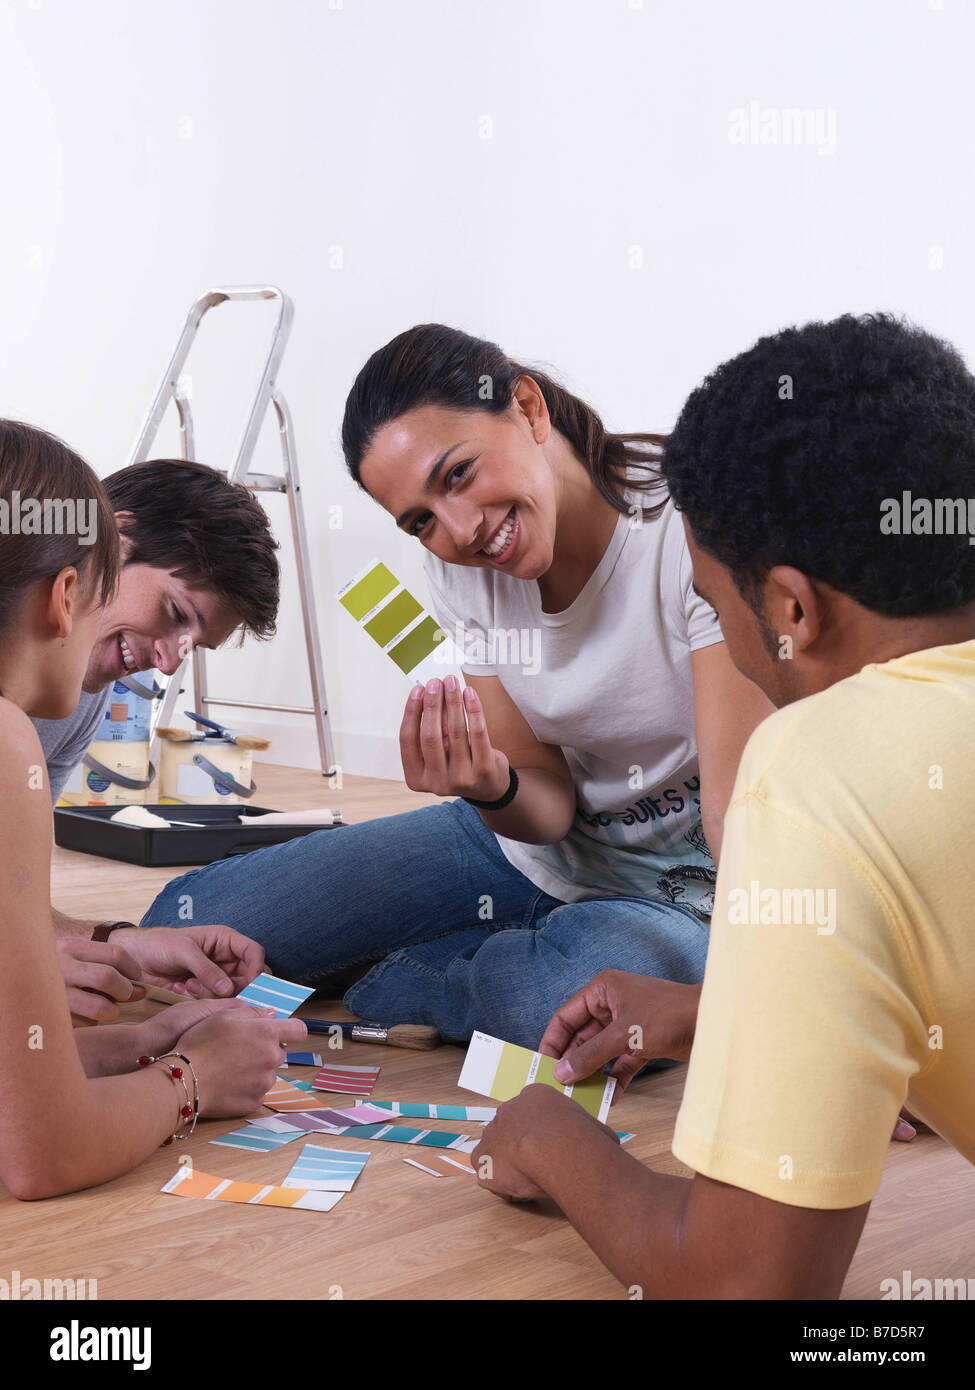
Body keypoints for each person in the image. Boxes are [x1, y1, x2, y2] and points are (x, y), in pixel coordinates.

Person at [470, 312, 975, 1298]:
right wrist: (720, 1012)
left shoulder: (818, 769)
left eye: (714, 601)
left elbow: (742, 1286)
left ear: (790, 608)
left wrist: (551, 1139)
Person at [142, 325, 772, 1047]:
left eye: (458, 474)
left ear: (528, 408)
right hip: (536, 854)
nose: (463, 531)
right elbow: (548, 805)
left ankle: (404, 976)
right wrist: (491, 785)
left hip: (685, 891)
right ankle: (495, 950)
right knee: (191, 921)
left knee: (558, 1001)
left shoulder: (692, 524)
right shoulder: (460, 569)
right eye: (421, 522)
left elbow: (738, 817)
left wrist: (799, 1013)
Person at [0, 420, 305, 1199]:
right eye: (174, 613)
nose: (167, 664)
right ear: (73, 588)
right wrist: (192, 1076)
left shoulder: (65, 710)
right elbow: (42, 1154)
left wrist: (134, 1022)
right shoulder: (7, 741)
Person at [40, 457, 280, 1023]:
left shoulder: (81, 696)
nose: (168, 663)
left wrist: (114, 941)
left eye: (193, 643)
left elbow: (10, 901)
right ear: (115, 541)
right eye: (175, 613)